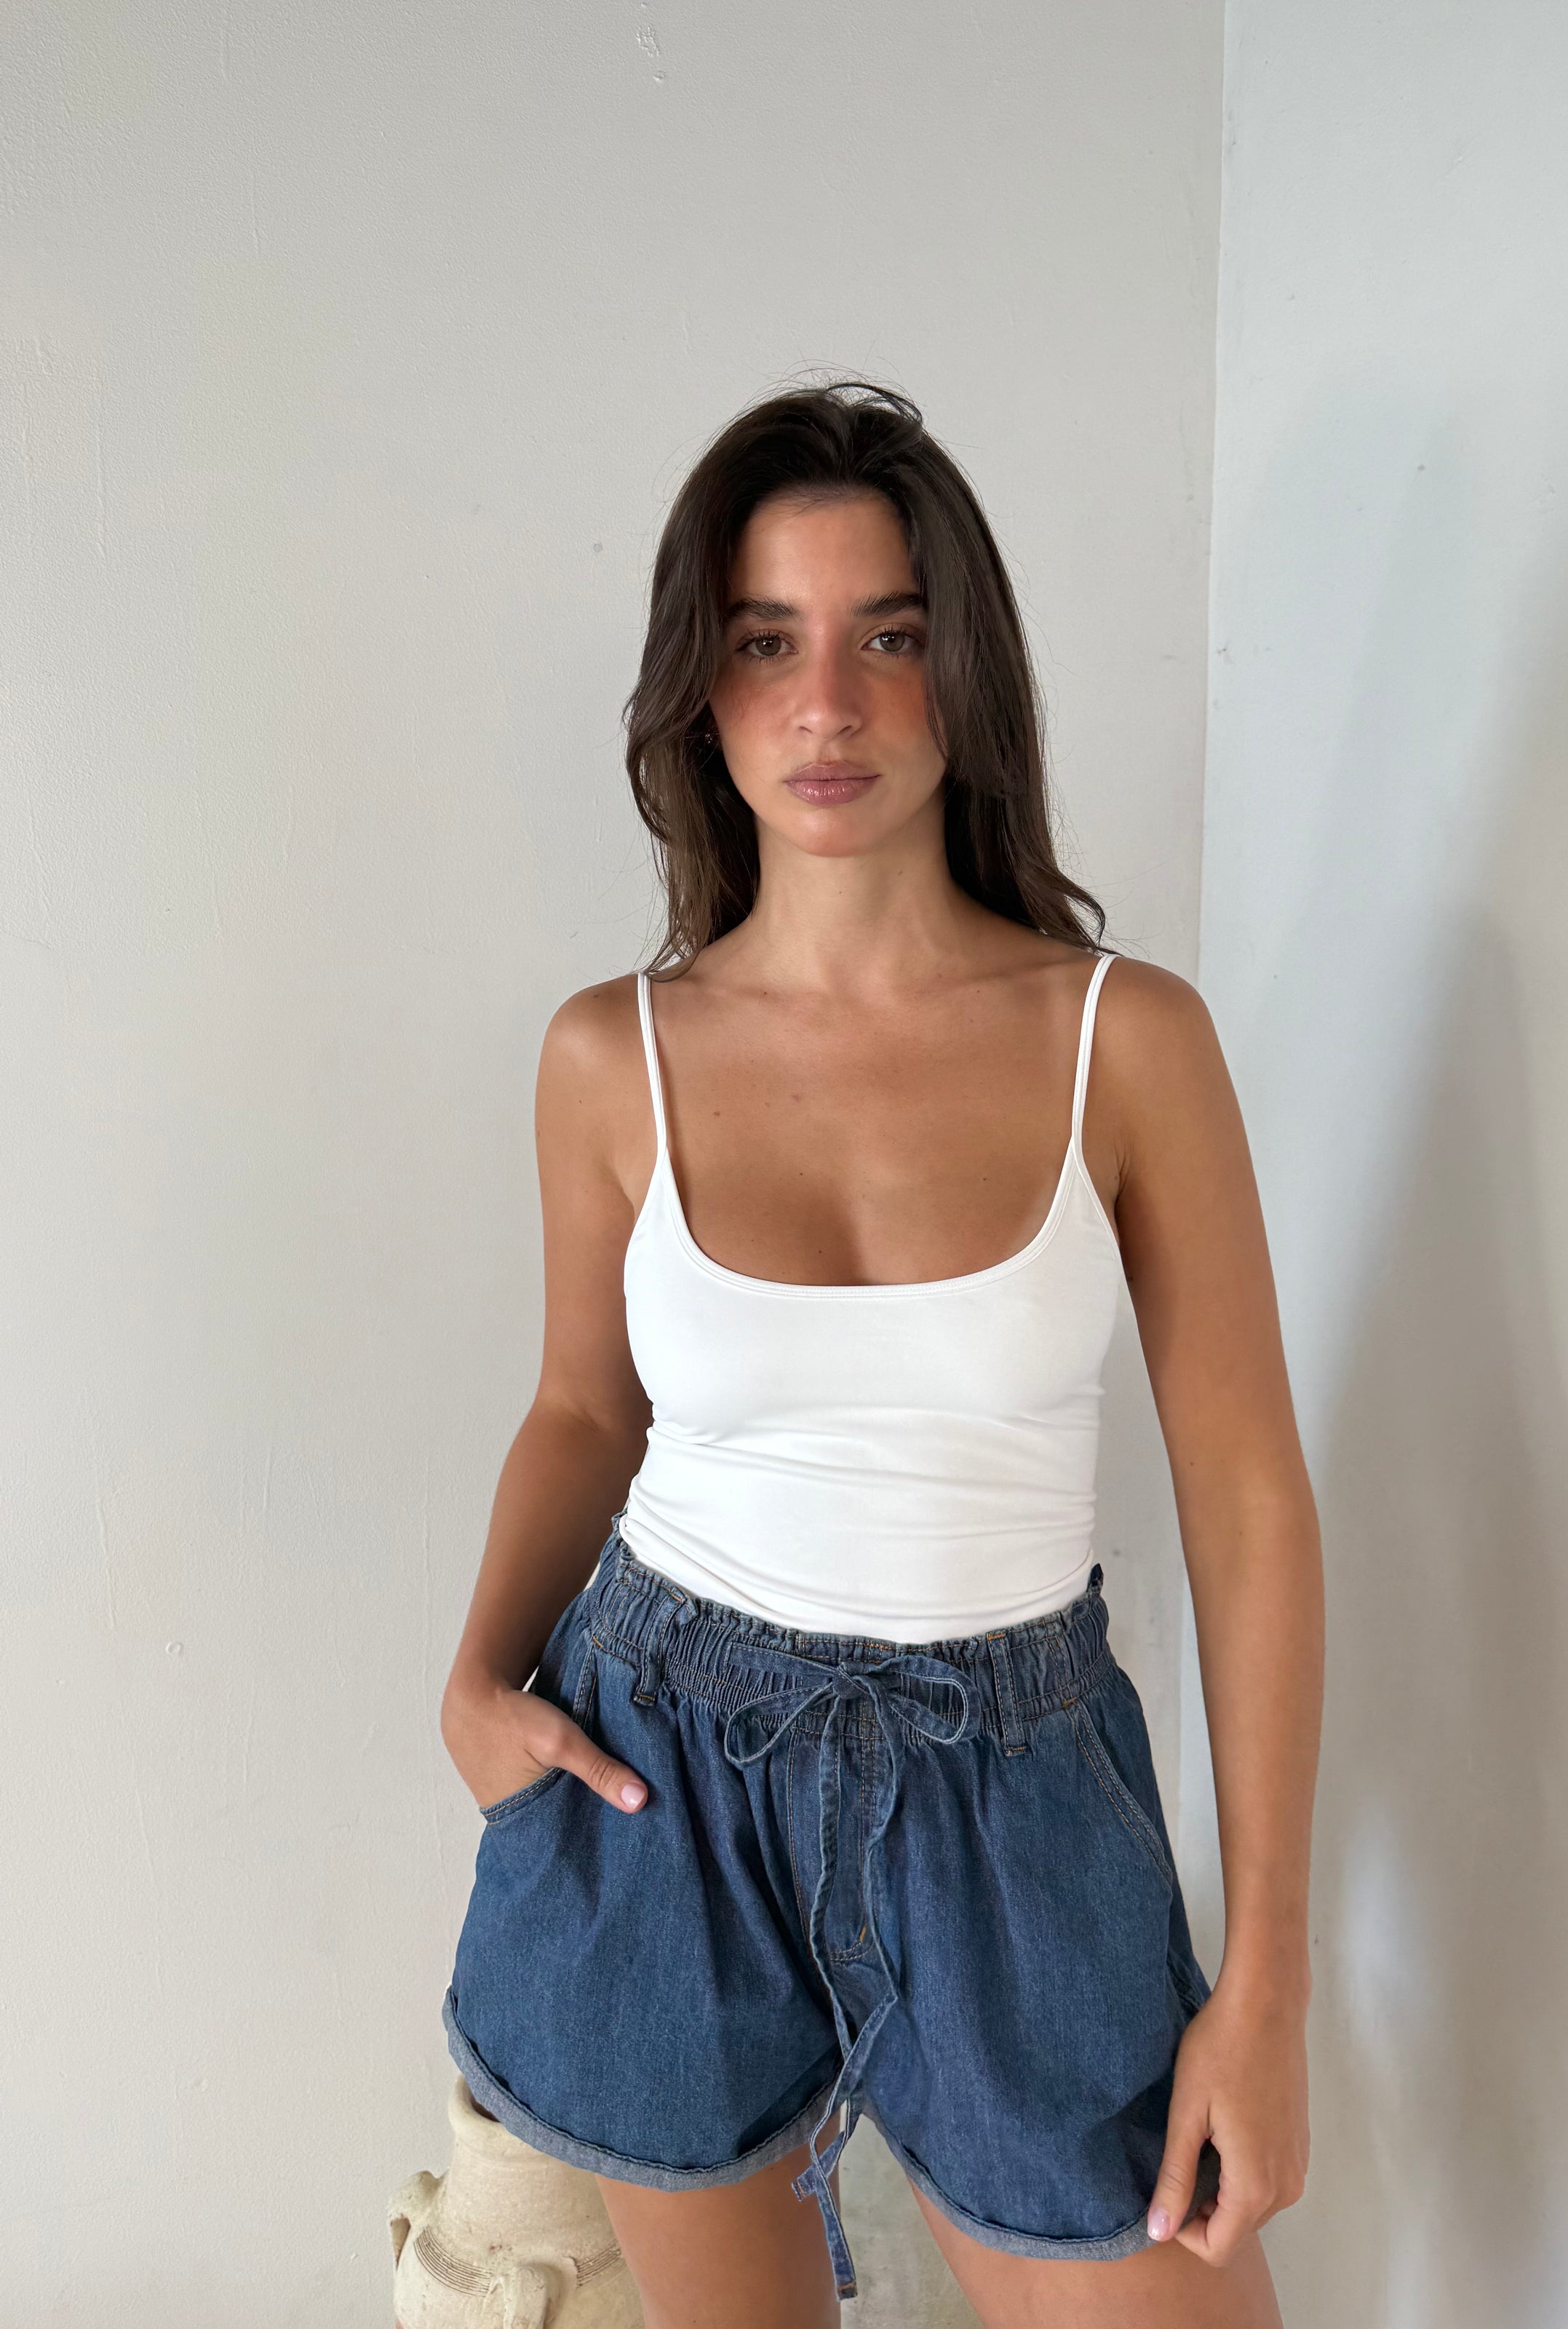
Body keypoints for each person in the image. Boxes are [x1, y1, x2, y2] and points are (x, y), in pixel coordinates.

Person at [436, 381, 1322, 2329]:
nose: (826, 705)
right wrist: (477, 1679)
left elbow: (1250, 1501)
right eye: (767, 641)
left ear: (964, 674)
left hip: (1021, 1796)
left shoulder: (1126, 1041)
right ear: (700, 688)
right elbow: (582, 1408)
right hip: (664, 1785)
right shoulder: (609, 1057)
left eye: (889, 637)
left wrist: (1267, 1979)